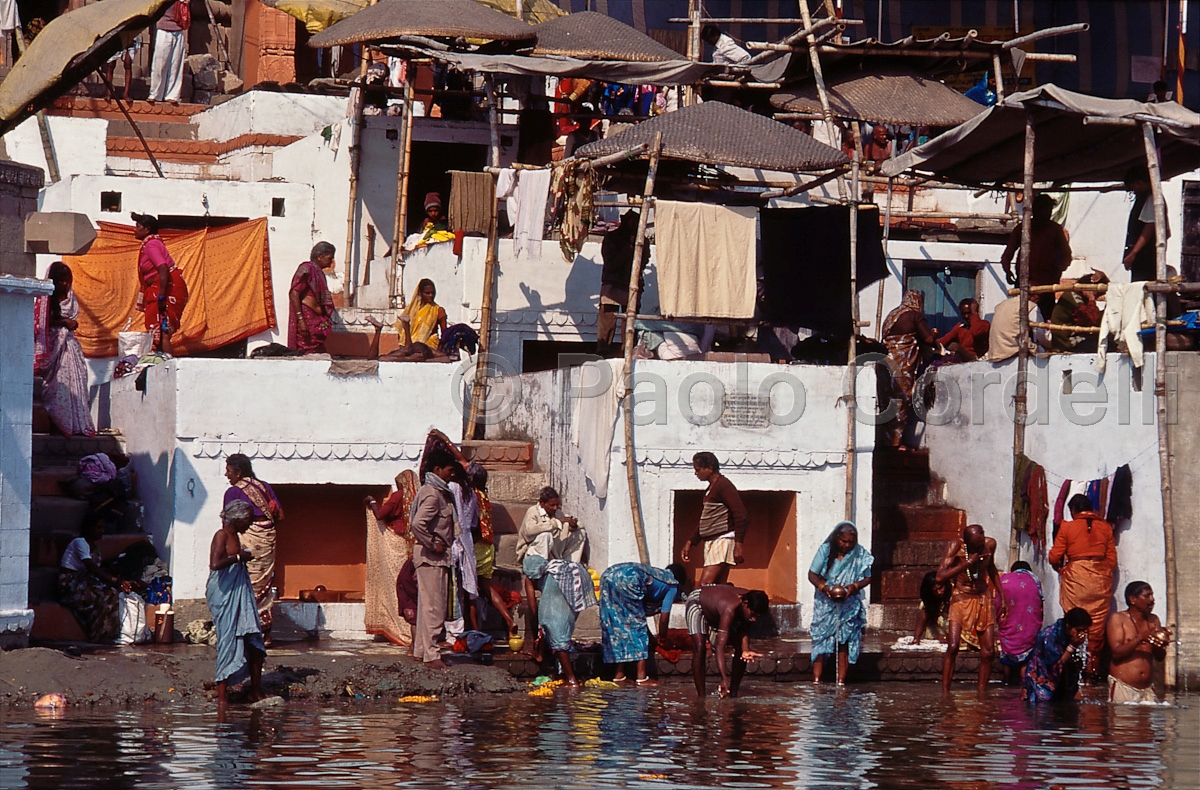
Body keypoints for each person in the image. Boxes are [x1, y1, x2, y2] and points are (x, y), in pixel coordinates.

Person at [518, 487, 594, 684]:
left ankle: (568, 678)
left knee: (556, 629)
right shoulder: (533, 513)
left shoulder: (558, 514)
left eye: (557, 505)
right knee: (545, 535)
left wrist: (572, 525)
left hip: (556, 563)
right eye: (552, 505)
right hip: (535, 554)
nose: (556, 508)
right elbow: (529, 532)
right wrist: (555, 523)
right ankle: (569, 678)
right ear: (542, 503)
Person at [1049, 493, 1117, 680]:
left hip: (1076, 579)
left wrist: (1062, 569)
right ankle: (1091, 673)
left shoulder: (1067, 527)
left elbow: (1054, 556)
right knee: (1095, 627)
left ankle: (1073, 669)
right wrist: (1101, 572)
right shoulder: (1105, 527)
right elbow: (1111, 559)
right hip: (1100, 579)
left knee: (1076, 622)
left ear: (1073, 510)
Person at [206, 500, 267, 708]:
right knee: (228, 641)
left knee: (253, 639)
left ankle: (255, 689)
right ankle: (222, 695)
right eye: (247, 521)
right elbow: (215, 564)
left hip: (239, 591)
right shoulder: (221, 535)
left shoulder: (236, 536)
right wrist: (239, 557)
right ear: (237, 519)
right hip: (224, 594)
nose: (249, 525)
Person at [222, 454, 283, 642]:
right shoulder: (264, 486)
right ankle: (265, 634)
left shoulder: (234, 492)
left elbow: (228, 524)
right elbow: (280, 515)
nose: (226, 475)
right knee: (264, 584)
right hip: (267, 540)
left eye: (229, 471)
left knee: (244, 583)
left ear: (238, 472)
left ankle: (245, 631)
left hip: (248, 541)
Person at [937, 524, 1004, 695]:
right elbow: (940, 576)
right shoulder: (956, 547)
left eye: (981, 543)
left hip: (983, 596)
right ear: (966, 544)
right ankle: (945, 693)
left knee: (988, 652)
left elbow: (991, 568)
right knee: (953, 646)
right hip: (961, 596)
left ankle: (981, 694)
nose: (980, 547)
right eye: (976, 546)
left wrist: (1001, 596)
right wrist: (967, 563)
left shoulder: (990, 545)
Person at [807, 522, 874, 685]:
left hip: (848, 604)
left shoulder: (860, 554)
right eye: (844, 541)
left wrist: (854, 587)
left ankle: (841, 682)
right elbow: (812, 574)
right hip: (825, 603)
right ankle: (816, 681)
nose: (847, 545)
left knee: (844, 641)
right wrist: (824, 588)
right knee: (820, 640)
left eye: (850, 542)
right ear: (837, 538)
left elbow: (867, 577)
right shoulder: (825, 551)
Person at [409, 447, 458, 667]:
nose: (452, 474)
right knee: (434, 607)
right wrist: (432, 543)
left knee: (427, 605)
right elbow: (417, 524)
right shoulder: (432, 493)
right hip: (431, 558)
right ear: (437, 469)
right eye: (449, 470)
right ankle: (432, 655)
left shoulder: (436, 491)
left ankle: (421, 650)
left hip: (432, 557)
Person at [33, 262, 95, 437]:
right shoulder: (45, 300)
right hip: (53, 350)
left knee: (77, 385)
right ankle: (57, 424)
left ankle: (75, 425)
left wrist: (72, 324)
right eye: (61, 281)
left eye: (68, 281)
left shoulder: (70, 298)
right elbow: (40, 324)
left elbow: (72, 321)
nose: (65, 285)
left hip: (70, 348)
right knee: (55, 388)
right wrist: (63, 323)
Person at [599, 563, 684, 685]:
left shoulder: (655, 575)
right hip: (629, 579)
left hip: (608, 575)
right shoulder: (672, 585)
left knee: (617, 625)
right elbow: (664, 618)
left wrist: (652, 639)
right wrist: (663, 639)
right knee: (637, 628)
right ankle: (641, 677)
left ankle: (619, 675)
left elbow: (640, 614)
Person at [465, 462, 519, 638]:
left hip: (476, 546)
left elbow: (473, 527)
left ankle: (476, 632)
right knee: (487, 587)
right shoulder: (484, 496)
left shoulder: (471, 496)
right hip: (488, 547)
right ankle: (509, 620)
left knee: (470, 590)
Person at [685, 584, 768, 698]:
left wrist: (745, 650)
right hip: (698, 602)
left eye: (757, 616)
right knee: (700, 647)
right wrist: (723, 678)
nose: (754, 619)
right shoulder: (730, 609)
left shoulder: (750, 601)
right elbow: (720, 647)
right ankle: (701, 696)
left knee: (740, 648)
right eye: (753, 615)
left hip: (717, 610)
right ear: (745, 604)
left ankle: (733, 693)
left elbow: (744, 631)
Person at [1000, 194, 1073, 321]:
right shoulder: (1022, 228)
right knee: (1019, 318)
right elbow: (1008, 254)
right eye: (1045, 209)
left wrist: (1058, 271)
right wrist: (1007, 270)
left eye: (1049, 210)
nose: (1048, 213)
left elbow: (1066, 255)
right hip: (1024, 283)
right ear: (1036, 210)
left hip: (1047, 285)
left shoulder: (1055, 229)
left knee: (1046, 320)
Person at [681, 452, 749, 586]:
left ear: (709, 468)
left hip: (721, 540)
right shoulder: (711, 489)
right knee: (717, 586)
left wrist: (738, 544)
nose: (696, 473)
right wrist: (691, 542)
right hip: (711, 540)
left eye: (698, 469)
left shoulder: (723, 485)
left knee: (705, 584)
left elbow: (741, 515)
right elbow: (707, 519)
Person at [58, 517, 130, 643]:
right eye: (98, 528)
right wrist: (115, 580)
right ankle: (97, 635)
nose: (101, 531)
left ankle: (107, 633)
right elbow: (90, 566)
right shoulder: (80, 543)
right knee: (104, 596)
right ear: (89, 528)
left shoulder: (95, 548)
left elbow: (98, 569)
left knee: (112, 593)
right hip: (70, 584)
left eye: (102, 528)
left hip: (84, 582)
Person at [881, 290, 935, 450]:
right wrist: (934, 334)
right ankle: (896, 444)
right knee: (901, 399)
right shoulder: (914, 315)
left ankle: (884, 440)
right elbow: (929, 339)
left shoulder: (893, 314)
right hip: (902, 366)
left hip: (886, 363)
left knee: (886, 401)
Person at [132, 213, 189, 355]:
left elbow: (163, 268)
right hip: (161, 288)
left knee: (162, 332)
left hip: (166, 290)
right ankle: (161, 363)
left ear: (147, 229)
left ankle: (166, 367)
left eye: (138, 227)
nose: (135, 230)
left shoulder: (151, 245)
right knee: (158, 331)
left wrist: (162, 297)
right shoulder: (152, 243)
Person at [1107, 581, 1171, 703]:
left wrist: (1161, 643)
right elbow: (1116, 653)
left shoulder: (1153, 620)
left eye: (1152, 595)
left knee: (1146, 722)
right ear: (1133, 599)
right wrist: (1141, 637)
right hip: (1123, 687)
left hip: (1147, 690)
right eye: (1147, 596)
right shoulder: (1118, 618)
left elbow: (1160, 657)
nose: (1152, 600)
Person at [597, 210, 647, 355]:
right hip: (612, 284)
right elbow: (611, 263)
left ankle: (627, 350)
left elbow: (643, 261)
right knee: (607, 320)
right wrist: (629, 248)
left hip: (632, 285)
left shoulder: (643, 241)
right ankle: (603, 350)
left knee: (630, 322)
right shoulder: (612, 238)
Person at [368, 278, 449, 362]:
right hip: (410, 347)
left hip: (428, 348)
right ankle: (378, 330)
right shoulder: (411, 309)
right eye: (427, 293)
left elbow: (445, 335)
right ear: (420, 293)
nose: (431, 295)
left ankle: (379, 329)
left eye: (433, 293)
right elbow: (401, 333)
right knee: (374, 359)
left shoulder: (438, 310)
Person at [1022, 607, 1092, 703]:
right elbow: (1055, 666)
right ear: (1068, 626)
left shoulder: (1070, 635)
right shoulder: (1050, 635)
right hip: (1041, 681)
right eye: (1079, 630)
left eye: (1085, 631)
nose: (1082, 634)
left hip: (1061, 682)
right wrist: (1072, 646)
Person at [996, 560, 1045, 684]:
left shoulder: (1004, 580)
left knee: (1007, 655)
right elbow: (1039, 606)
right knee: (1026, 660)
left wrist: (1001, 622)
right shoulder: (1034, 581)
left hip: (1009, 625)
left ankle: (1006, 681)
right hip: (1028, 628)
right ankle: (1024, 685)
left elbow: (997, 604)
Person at [288, 241, 336, 355]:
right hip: (307, 321)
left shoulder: (318, 272)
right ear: (320, 256)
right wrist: (301, 320)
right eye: (329, 258)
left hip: (316, 322)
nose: (330, 263)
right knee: (307, 351)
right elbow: (294, 293)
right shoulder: (307, 268)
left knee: (317, 351)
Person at [1123, 166, 1169, 282]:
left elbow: (1149, 228)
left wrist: (1133, 253)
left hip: (1146, 256)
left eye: (1133, 186)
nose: (1133, 190)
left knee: (1142, 286)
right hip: (1144, 255)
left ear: (1139, 182)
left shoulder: (1153, 199)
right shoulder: (1144, 198)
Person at [1050, 272, 1107, 354]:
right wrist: (1091, 299)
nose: (1098, 295)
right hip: (1068, 342)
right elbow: (1092, 319)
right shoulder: (1073, 298)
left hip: (1077, 338)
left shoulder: (1080, 297)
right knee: (1105, 344)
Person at [148, 0, 189, 104]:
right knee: (160, 63)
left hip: (178, 29)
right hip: (164, 29)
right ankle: (155, 94)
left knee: (176, 64)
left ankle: (172, 95)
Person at [987, 295, 1051, 362]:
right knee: (1042, 352)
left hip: (996, 352)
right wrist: (1051, 345)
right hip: (1014, 350)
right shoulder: (1030, 306)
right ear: (1035, 296)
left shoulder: (1001, 305)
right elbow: (1041, 334)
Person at [938, 298, 991, 363]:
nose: (966, 316)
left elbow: (977, 332)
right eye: (964, 314)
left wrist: (974, 314)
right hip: (962, 359)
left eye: (969, 313)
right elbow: (946, 339)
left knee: (954, 346)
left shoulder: (984, 324)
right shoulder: (960, 326)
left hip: (977, 358)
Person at [913, 570, 951, 642]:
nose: (939, 592)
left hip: (953, 634)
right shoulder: (930, 600)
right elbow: (923, 617)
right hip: (935, 636)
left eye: (940, 588)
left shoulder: (954, 596)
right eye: (935, 591)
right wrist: (916, 638)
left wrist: (947, 637)